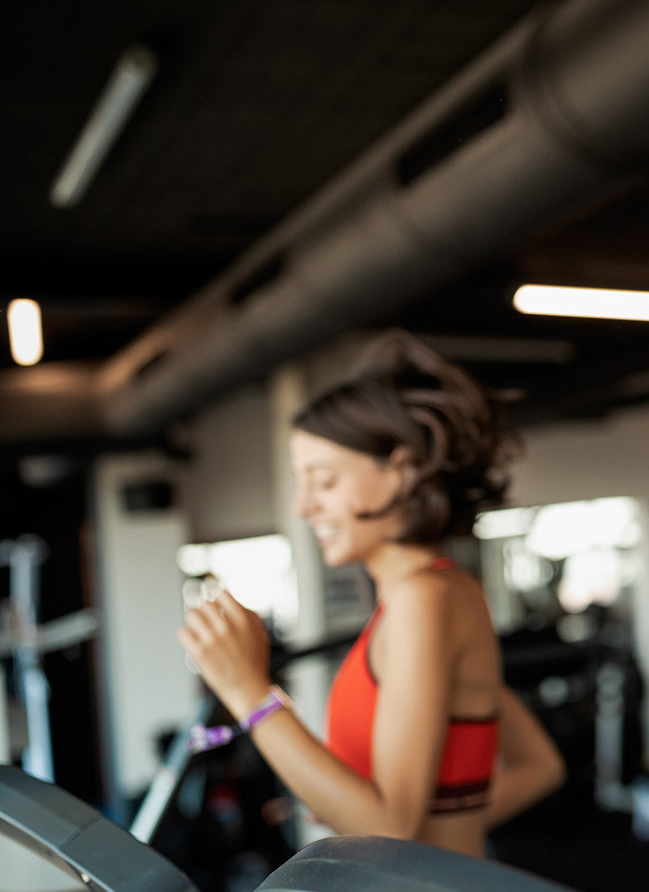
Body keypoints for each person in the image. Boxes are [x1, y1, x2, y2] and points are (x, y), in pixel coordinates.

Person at [179, 334, 565, 859]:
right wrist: (375, 812)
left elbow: (391, 828)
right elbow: (539, 766)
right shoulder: (442, 592)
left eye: (323, 482)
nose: (302, 506)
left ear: (398, 472)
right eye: (300, 483)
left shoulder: (423, 599)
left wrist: (250, 693)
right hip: (428, 887)